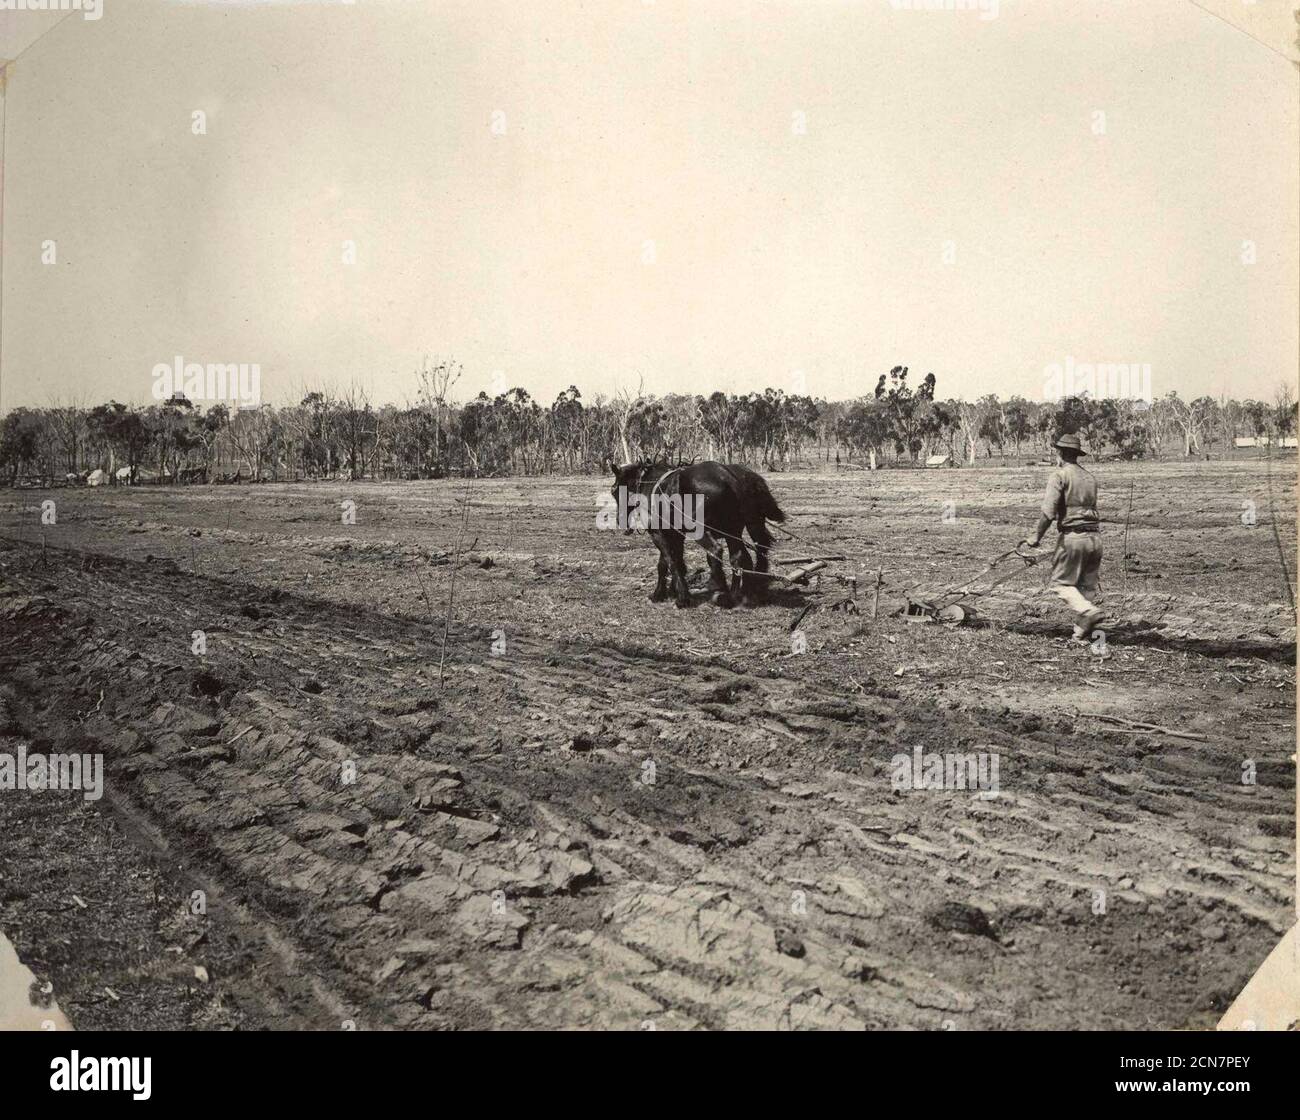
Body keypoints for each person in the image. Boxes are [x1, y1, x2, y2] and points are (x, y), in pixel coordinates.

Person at [1021, 433, 1103, 641]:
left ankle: (1088, 612)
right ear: (1076, 454)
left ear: (1060, 453)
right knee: (1086, 587)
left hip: (1073, 539)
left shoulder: (1059, 475)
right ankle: (1080, 632)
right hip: (1095, 539)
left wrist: (1035, 537)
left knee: (1061, 584)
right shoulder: (1089, 477)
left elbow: (1049, 512)